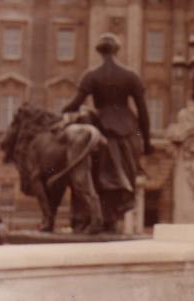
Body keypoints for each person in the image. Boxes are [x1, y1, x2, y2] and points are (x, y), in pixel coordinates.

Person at [62, 33, 153, 232]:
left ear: (100, 52)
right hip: (128, 129)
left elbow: (76, 103)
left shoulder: (91, 75)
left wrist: (60, 113)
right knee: (123, 177)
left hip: (101, 126)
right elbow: (144, 113)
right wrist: (146, 141)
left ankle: (92, 217)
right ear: (116, 50)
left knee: (93, 174)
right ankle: (111, 219)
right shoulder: (131, 75)